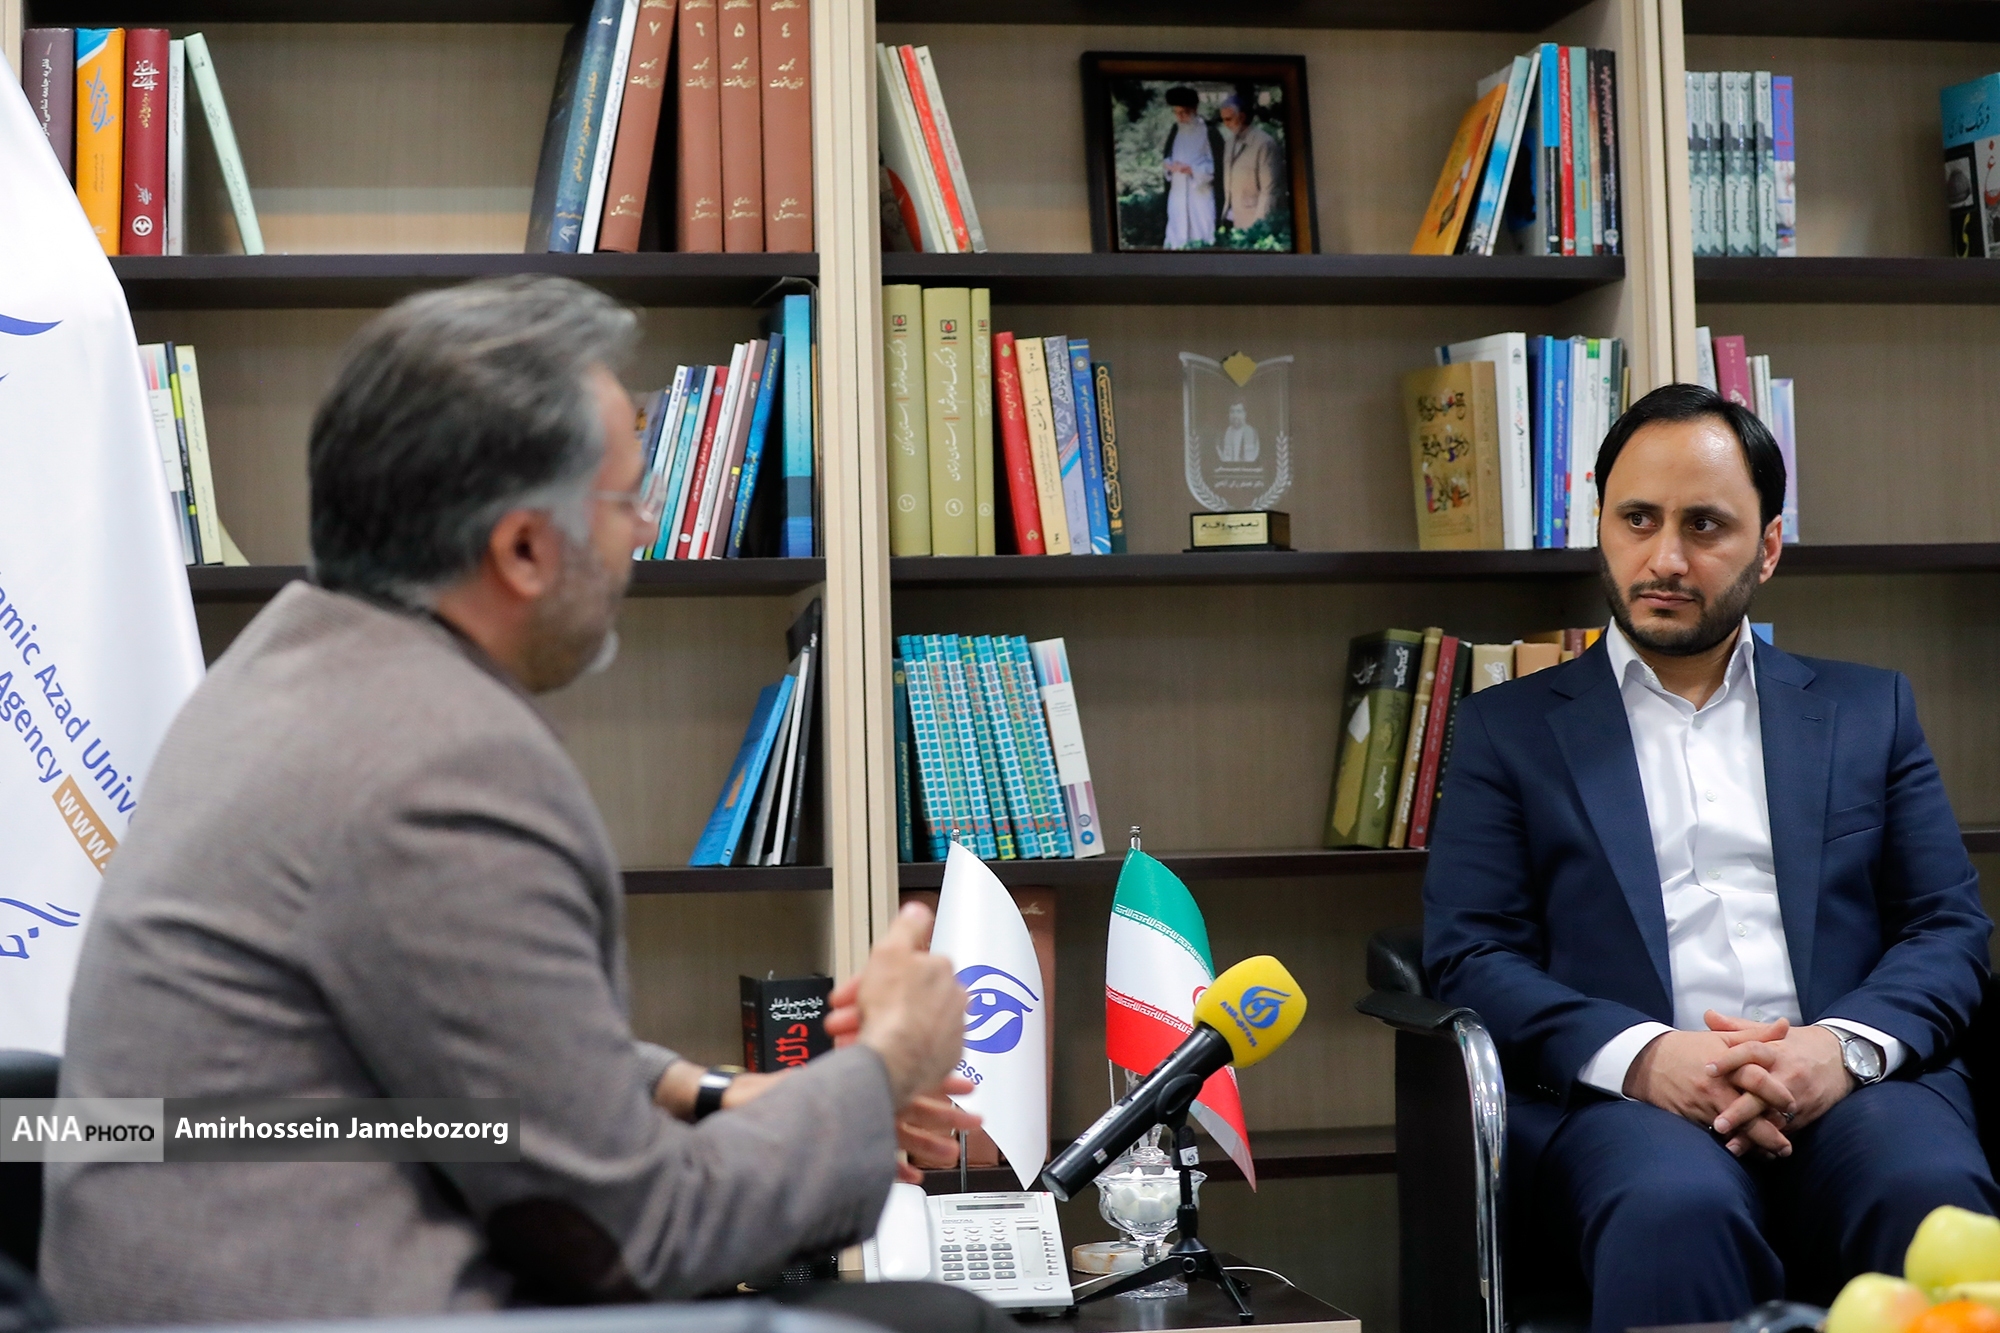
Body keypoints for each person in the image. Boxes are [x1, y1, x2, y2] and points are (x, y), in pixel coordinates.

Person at [42, 277, 993, 1328]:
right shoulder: (443, 765)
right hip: (319, 1309)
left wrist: (709, 1090)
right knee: (946, 1319)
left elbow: (464, 1059)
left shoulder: (280, 670)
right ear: (524, 548)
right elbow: (642, 1236)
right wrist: (885, 1063)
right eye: (627, 503)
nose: (642, 535)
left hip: (187, 1282)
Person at [1424, 383, 1997, 1333]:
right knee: (1672, 1212)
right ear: (1601, 525)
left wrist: (1839, 1049)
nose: (1665, 558)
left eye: (1705, 525)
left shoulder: (1868, 711)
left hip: (1855, 1087)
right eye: (1637, 519)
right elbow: (1471, 954)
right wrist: (1649, 1057)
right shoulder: (1506, 731)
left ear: (1767, 547)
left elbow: (1947, 927)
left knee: (1930, 1193)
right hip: (1628, 1108)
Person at [1158, 87, 1221, 250]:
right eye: (1176, 113)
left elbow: (1218, 167)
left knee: (1201, 236)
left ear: (1194, 110)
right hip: (1178, 195)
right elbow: (1168, 157)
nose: (1180, 117)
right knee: (1176, 238)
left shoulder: (1209, 132)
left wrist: (1192, 169)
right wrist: (1169, 165)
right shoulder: (1176, 131)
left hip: (1200, 196)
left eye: (1184, 112)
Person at [1217, 96, 1284, 237]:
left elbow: (1270, 190)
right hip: (1233, 219)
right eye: (1223, 120)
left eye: (1229, 119)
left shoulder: (1264, 144)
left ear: (1241, 117)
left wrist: (1259, 227)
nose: (1225, 124)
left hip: (1254, 220)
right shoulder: (1229, 143)